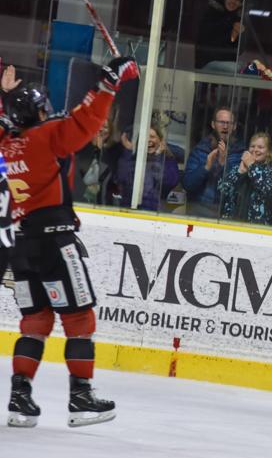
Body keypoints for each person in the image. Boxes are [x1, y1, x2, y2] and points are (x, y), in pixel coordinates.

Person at [1, 56, 138, 428]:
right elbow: (83, 123)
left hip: (21, 246)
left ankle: (19, 397)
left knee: (35, 320)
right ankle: (81, 398)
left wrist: (6, 97)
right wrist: (108, 83)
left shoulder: (7, 143)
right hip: (55, 242)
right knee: (79, 317)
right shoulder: (45, 137)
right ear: (38, 114)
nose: (49, 112)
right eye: (44, 108)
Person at [182, 107, 245, 218]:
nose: (225, 126)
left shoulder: (240, 153)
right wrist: (206, 167)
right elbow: (188, 185)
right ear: (213, 124)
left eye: (229, 123)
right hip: (199, 211)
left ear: (234, 126)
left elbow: (239, 187)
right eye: (221, 122)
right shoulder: (200, 150)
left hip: (228, 213)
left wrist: (223, 164)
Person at [218, 132, 272, 224]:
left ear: (268, 152)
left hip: (257, 227)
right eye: (252, 146)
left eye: (260, 147)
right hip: (231, 223)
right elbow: (221, 191)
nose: (255, 150)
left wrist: (251, 166)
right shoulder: (239, 168)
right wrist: (239, 173)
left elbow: (267, 190)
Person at [116, 125, 179, 212]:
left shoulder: (168, 160)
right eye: (145, 137)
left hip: (154, 212)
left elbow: (168, 183)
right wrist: (128, 151)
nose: (149, 140)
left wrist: (158, 157)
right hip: (128, 209)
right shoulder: (132, 158)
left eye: (152, 137)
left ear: (160, 141)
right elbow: (122, 177)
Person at [73, 117, 122, 206]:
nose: (101, 129)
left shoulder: (112, 154)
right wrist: (95, 149)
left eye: (105, 127)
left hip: (100, 205)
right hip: (78, 202)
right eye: (98, 126)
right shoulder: (79, 150)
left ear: (110, 132)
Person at [195, 0, 244, 72]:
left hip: (226, 67)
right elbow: (207, 40)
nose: (233, 1)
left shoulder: (238, 19)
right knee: (236, 68)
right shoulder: (211, 14)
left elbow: (238, 49)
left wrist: (238, 34)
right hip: (206, 65)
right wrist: (231, 27)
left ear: (240, 3)